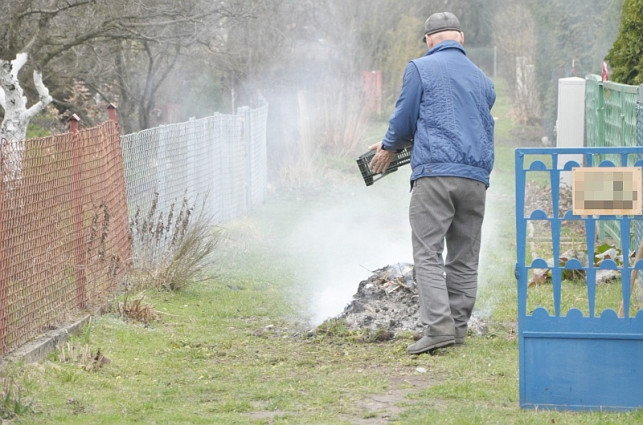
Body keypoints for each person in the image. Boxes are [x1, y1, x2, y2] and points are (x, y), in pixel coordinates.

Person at [368, 11, 495, 355]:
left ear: (429, 40)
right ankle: (457, 328)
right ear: (461, 38)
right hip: (475, 179)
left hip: (435, 176)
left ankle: (438, 329)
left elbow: (405, 116)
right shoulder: (484, 80)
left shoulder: (420, 68)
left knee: (427, 254)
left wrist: (389, 146)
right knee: (465, 257)